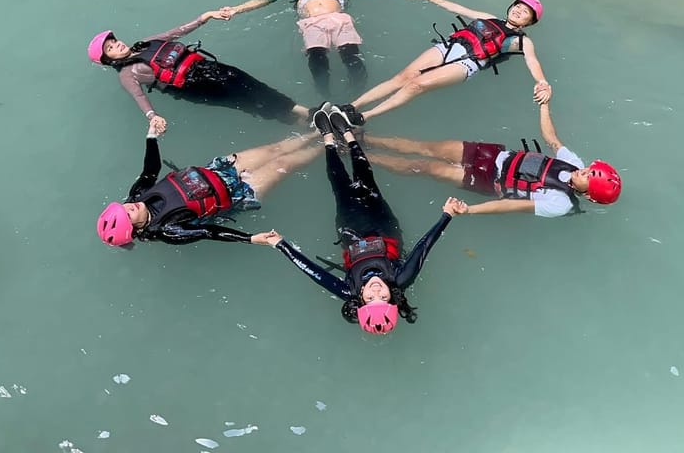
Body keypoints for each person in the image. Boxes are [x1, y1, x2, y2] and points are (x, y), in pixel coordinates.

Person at [251, 106, 468, 334]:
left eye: (371, 297)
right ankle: (347, 133)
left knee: (340, 186)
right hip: (385, 229)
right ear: (392, 298)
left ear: (361, 301)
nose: (376, 290)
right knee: (367, 181)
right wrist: (448, 215)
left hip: (351, 233)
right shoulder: (401, 278)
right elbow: (424, 247)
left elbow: (313, 272)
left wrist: (281, 244)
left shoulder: (349, 290)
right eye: (382, 296)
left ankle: (327, 138)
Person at [219, 0, 420, 96]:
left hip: (339, 19)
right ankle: (325, 95)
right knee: (317, 59)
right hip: (312, 23)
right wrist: (237, 9)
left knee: (352, 58)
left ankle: (357, 95)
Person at [362, 100, 622, 217]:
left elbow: (511, 205)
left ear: (588, 195)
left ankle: (361, 154)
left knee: (425, 166)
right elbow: (552, 139)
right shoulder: (574, 164)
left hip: (488, 180)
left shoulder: (560, 202)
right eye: (590, 169)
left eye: (590, 176)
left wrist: (469, 210)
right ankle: (362, 136)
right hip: (494, 154)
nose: (585, 171)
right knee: (425, 148)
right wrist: (545, 104)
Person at [95, 118, 322, 247]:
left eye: (122, 207)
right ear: (136, 227)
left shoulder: (138, 195)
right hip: (239, 194)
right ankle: (327, 145)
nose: (129, 206)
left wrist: (151, 136)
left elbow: (150, 170)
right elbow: (208, 231)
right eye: (128, 215)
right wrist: (251, 239)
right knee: (283, 164)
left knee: (276, 149)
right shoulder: (169, 230)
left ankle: (319, 130)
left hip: (218, 169)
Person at [336, 0, 550, 125]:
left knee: (416, 85)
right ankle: (351, 106)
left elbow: (532, 61)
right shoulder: (488, 18)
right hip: (449, 47)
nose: (519, 11)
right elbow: (455, 7)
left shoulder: (521, 41)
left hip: (468, 63)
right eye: (518, 6)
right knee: (402, 77)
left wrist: (542, 82)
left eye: (525, 12)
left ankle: (365, 117)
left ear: (529, 22)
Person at [87, 10, 312, 133]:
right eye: (110, 48)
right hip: (193, 87)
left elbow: (177, 32)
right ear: (108, 60)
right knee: (245, 101)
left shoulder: (145, 43)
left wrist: (204, 17)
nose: (117, 45)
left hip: (206, 67)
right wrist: (153, 117)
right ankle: (298, 121)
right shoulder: (127, 74)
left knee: (251, 85)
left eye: (114, 41)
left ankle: (304, 113)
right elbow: (139, 97)